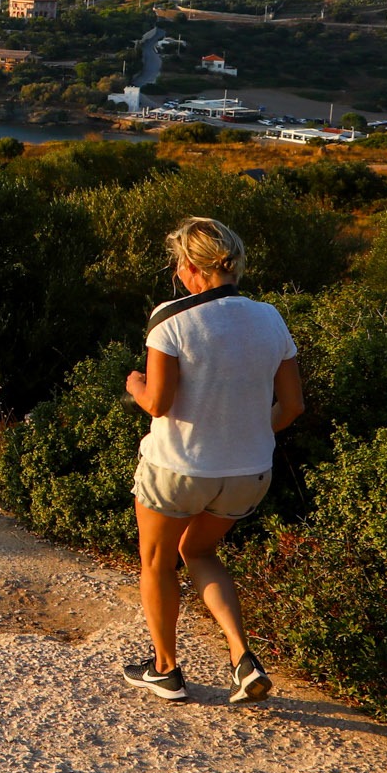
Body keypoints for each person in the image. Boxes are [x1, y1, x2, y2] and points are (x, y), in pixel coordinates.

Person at [121, 216, 304, 705]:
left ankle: (165, 670)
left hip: (178, 468)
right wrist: (242, 434)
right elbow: (292, 407)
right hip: (247, 472)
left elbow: (159, 403)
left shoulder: (171, 317)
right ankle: (243, 658)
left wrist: (133, 385)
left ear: (189, 265)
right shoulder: (270, 317)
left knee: (158, 562)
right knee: (199, 552)